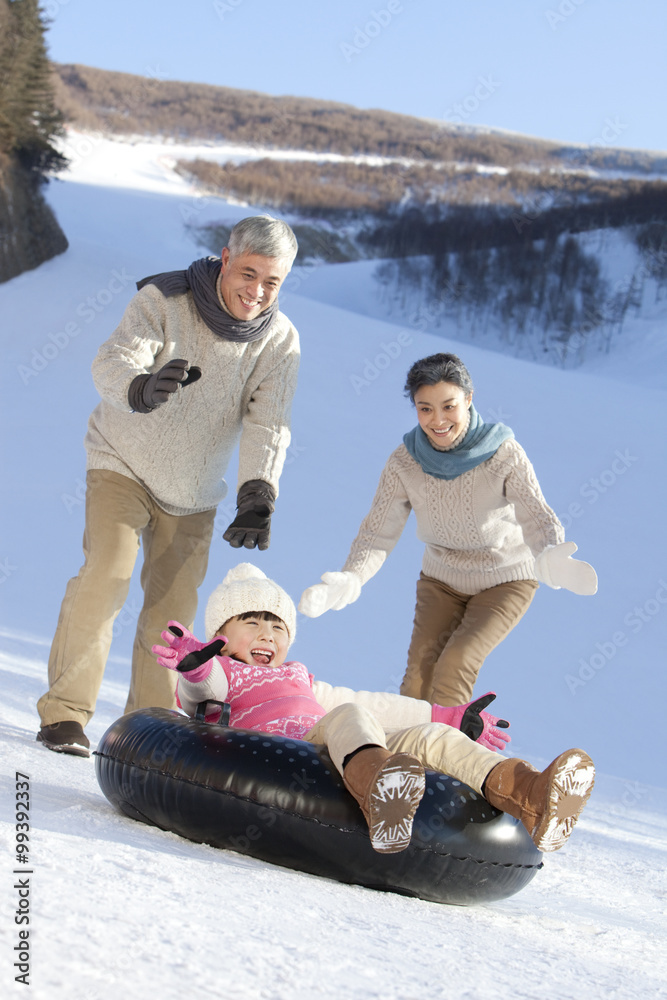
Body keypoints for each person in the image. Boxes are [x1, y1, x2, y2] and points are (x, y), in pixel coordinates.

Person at [37, 215, 301, 758]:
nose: (256, 291)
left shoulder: (279, 340)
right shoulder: (166, 298)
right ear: (225, 259)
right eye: (248, 273)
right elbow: (113, 359)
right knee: (105, 575)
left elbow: (268, 421)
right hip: (122, 462)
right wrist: (140, 386)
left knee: (173, 620)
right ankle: (64, 716)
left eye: (271, 282)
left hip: (196, 491)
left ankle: (144, 732)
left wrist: (257, 492)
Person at [153, 562, 595, 856]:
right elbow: (200, 694)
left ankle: (531, 795)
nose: (266, 634)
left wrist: (448, 716)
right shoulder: (225, 673)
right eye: (250, 622)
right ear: (221, 634)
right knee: (349, 716)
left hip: (335, 742)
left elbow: (372, 703)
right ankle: (381, 794)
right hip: (282, 750)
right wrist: (195, 668)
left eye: (277, 625)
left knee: (424, 737)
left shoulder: (299, 677)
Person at [298, 352, 598, 708]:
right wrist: (352, 577)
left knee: (456, 663)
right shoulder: (405, 462)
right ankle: (404, 757)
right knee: (418, 676)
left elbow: (536, 514)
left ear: (469, 399)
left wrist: (549, 551)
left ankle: (450, 758)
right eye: (425, 408)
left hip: (504, 581)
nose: (437, 420)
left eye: (448, 406)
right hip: (441, 580)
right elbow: (378, 532)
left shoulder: (502, 454)